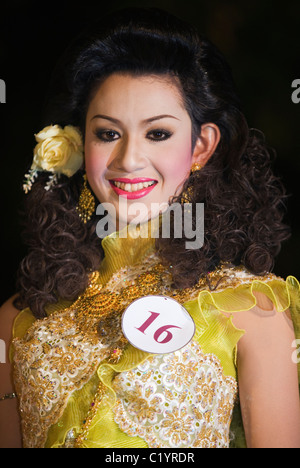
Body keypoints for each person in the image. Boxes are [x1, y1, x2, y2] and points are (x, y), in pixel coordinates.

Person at [0, 7, 300, 449]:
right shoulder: (20, 318)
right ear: (80, 142)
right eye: (107, 134)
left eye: (157, 134)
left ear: (201, 146)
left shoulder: (249, 311)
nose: (128, 160)